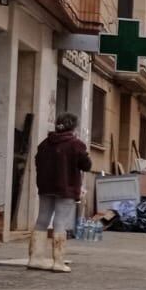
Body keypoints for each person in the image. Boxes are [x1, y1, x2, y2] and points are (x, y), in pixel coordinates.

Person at [30, 112, 93, 273]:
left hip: (45, 187)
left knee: (42, 219)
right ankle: (58, 262)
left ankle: (35, 259)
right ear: (74, 127)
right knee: (60, 222)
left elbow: (37, 162)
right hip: (66, 188)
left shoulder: (45, 143)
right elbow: (86, 165)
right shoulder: (76, 144)